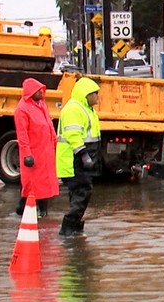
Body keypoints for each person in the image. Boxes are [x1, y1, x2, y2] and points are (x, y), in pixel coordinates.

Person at [56, 77, 102, 236]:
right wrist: (83, 155)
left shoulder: (87, 110)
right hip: (73, 161)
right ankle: (69, 228)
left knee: (79, 194)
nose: (97, 97)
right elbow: (73, 134)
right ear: (86, 94)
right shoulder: (74, 109)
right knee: (82, 192)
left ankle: (73, 229)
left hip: (79, 161)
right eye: (95, 93)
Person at [14, 77, 59, 218]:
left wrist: (54, 143)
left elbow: (49, 125)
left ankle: (34, 209)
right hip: (35, 152)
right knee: (33, 184)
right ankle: (35, 210)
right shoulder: (22, 109)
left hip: (45, 152)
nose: (41, 92)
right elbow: (22, 134)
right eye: (37, 90)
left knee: (43, 184)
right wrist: (27, 154)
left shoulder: (41, 105)